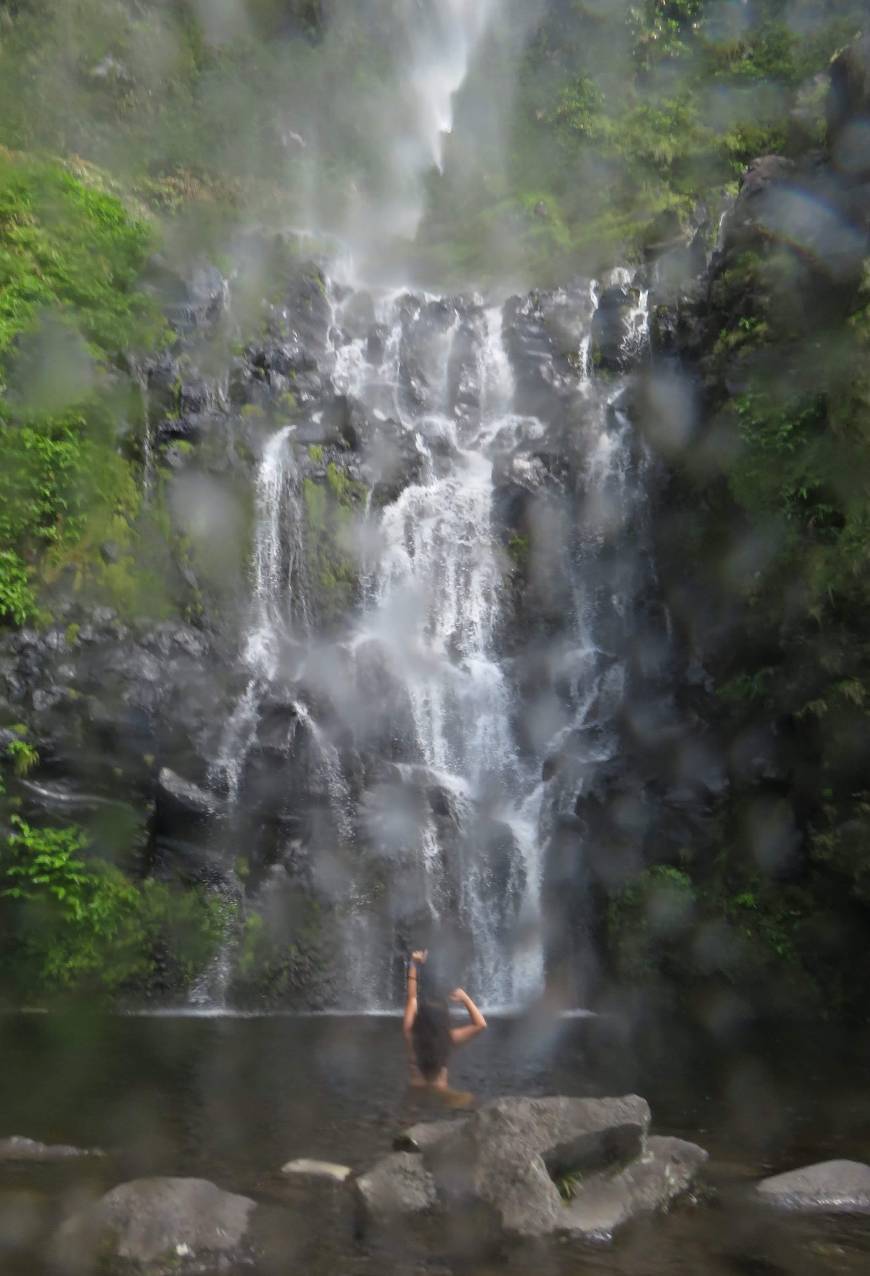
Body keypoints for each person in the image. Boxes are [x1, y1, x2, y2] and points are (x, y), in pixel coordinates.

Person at [403, 949, 487, 1092]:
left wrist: (413, 964)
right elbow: (481, 1024)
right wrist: (465, 998)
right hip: (441, 1092)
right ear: (444, 1020)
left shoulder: (411, 1034)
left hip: (415, 1092)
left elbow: (412, 998)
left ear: (420, 1018)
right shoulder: (448, 1039)